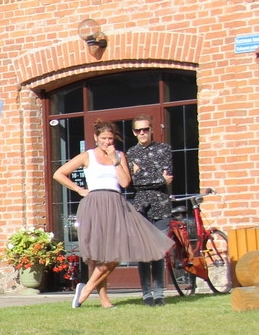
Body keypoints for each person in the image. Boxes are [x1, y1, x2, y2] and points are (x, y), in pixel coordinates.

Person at [52, 123, 171, 309]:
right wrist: (78, 189)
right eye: (103, 139)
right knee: (97, 255)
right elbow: (59, 173)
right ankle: (104, 300)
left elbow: (124, 183)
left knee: (116, 253)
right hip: (94, 203)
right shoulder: (87, 156)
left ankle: (86, 288)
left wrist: (115, 160)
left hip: (115, 203)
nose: (107, 142)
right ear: (96, 138)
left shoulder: (120, 156)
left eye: (110, 139)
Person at [125, 120, 175, 308]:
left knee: (158, 251)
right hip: (141, 207)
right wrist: (156, 176)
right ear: (134, 132)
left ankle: (159, 294)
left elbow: (167, 177)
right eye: (139, 130)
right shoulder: (131, 153)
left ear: (151, 130)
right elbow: (133, 182)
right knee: (144, 252)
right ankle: (146, 294)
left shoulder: (164, 149)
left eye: (146, 129)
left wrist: (142, 172)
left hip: (161, 204)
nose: (142, 133)